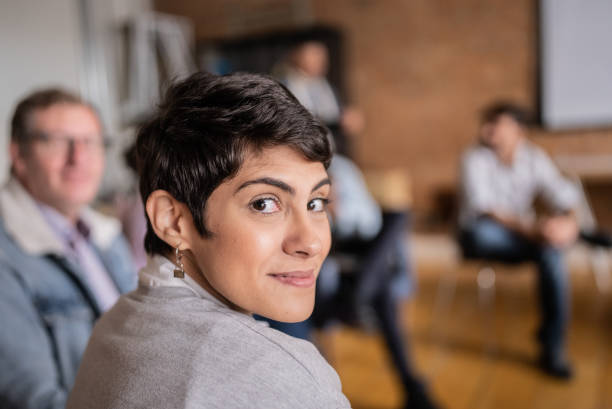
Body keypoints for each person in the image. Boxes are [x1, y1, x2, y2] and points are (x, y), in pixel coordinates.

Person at [66, 71, 351, 409]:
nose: (311, 242)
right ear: (173, 221)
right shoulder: (285, 378)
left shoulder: (115, 324)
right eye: (264, 203)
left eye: (316, 203)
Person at [271, 40, 441, 409]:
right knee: (380, 289)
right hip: (335, 246)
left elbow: (368, 219)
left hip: (361, 245)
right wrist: (320, 205)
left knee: (397, 219)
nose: (319, 63)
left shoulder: (343, 167)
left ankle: (362, 292)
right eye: (313, 56)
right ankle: (411, 384)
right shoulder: (293, 175)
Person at [0, 89, 136, 408]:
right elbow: (36, 400)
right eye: (58, 142)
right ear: (19, 155)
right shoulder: (6, 255)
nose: (78, 158)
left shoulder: (106, 236)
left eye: (90, 141)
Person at [458, 102, 580, 379]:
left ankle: (552, 346)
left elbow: (566, 196)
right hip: (480, 235)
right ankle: (549, 240)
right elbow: (486, 209)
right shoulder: (473, 158)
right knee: (502, 235)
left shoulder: (534, 158)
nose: (487, 129)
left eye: (496, 123)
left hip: (525, 236)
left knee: (552, 251)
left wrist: (568, 224)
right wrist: (536, 230)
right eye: (486, 122)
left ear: (519, 131)